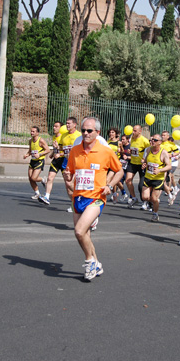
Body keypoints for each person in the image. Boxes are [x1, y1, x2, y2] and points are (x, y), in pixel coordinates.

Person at [64, 117, 123, 281]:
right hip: (78, 197)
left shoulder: (105, 151)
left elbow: (119, 171)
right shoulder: (75, 150)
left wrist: (110, 186)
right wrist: (68, 176)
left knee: (79, 230)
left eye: (89, 130)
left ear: (98, 132)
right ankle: (97, 262)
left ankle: (89, 261)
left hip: (96, 197)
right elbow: (69, 173)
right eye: (83, 130)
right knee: (83, 235)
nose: (85, 133)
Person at [141, 134, 172, 222]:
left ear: (160, 142)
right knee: (145, 197)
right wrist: (144, 164)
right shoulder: (148, 150)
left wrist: (160, 170)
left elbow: (169, 166)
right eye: (151, 140)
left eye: (155, 140)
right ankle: (155, 203)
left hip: (158, 179)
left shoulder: (163, 152)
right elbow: (146, 161)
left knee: (154, 198)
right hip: (148, 177)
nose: (152, 141)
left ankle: (155, 213)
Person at [39, 121, 63, 206]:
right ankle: (47, 197)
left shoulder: (64, 137)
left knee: (69, 184)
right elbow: (55, 148)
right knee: (50, 178)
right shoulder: (54, 137)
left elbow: (66, 150)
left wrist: (59, 152)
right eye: (53, 126)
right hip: (56, 161)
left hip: (64, 161)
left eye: (56, 126)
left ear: (61, 128)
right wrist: (52, 154)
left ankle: (73, 201)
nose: (54, 128)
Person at [125, 125, 150, 208]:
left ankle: (145, 201)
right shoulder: (132, 138)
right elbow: (133, 149)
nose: (133, 132)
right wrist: (130, 151)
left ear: (140, 131)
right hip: (133, 162)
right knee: (128, 180)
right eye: (133, 130)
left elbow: (150, 151)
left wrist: (146, 160)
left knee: (141, 185)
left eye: (135, 131)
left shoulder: (145, 141)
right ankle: (134, 198)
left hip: (141, 164)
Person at [24, 126, 49, 200]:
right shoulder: (30, 141)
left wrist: (40, 154)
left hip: (39, 161)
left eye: (33, 131)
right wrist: (26, 155)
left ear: (37, 133)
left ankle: (43, 180)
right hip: (33, 161)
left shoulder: (41, 141)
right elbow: (30, 150)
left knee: (34, 178)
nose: (31, 133)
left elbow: (47, 150)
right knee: (30, 178)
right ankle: (37, 193)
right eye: (31, 131)